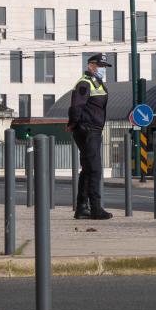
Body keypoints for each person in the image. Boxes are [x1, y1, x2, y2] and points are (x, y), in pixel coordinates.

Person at [68, 53, 113, 220]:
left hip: (93, 130)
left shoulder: (96, 83)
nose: (103, 69)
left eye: (104, 67)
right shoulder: (85, 83)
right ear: (91, 66)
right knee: (94, 169)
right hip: (87, 130)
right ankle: (95, 208)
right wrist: (73, 124)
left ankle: (81, 208)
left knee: (88, 169)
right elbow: (76, 106)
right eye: (100, 66)